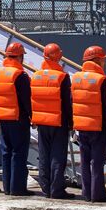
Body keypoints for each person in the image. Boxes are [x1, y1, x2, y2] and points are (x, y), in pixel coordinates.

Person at [30, 42, 73, 198]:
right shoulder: (62, 77)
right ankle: (57, 190)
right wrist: (71, 123)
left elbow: (33, 99)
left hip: (42, 122)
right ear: (58, 56)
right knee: (57, 157)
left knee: (44, 156)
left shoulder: (36, 76)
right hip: (58, 122)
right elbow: (67, 103)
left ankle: (46, 188)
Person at [72, 45, 106, 202]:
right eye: (103, 60)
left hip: (81, 126)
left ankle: (87, 193)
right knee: (97, 162)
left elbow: (73, 101)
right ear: (96, 60)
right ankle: (98, 194)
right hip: (98, 126)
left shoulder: (76, 77)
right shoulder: (101, 80)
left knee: (84, 161)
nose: (104, 62)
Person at [0, 42, 33, 195]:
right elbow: (26, 99)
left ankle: (8, 188)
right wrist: (32, 116)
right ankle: (18, 189)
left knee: (6, 153)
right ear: (20, 56)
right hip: (18, 119)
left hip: (3, 119)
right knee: (19, 153)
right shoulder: (19, 75)